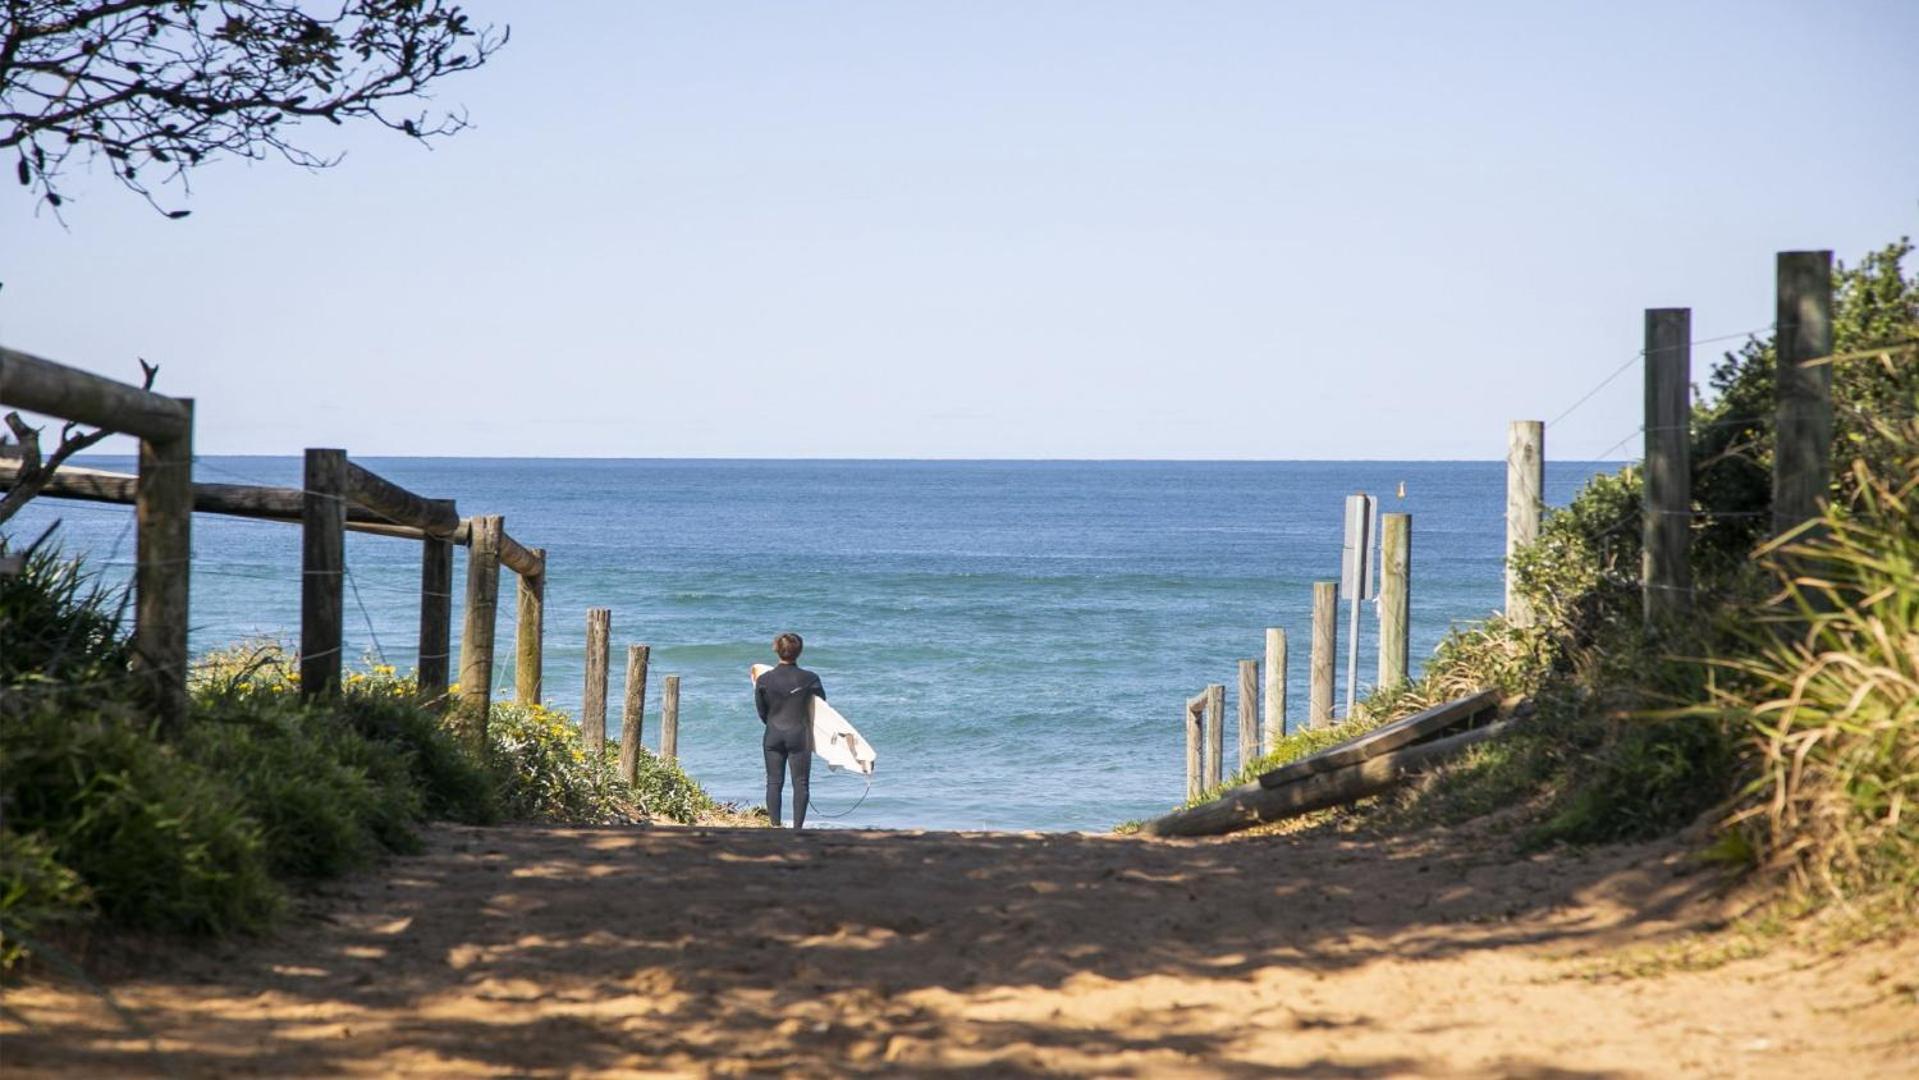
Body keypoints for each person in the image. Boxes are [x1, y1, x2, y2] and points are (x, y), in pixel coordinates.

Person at [754, 632, 824, 828]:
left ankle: (775, 826)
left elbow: (762, 711)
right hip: (799, 735)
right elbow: (822, 708)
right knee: (800, 783)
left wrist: (773, 724)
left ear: (776, 649)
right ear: (799, 651)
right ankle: (797, 830)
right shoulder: (810, 679)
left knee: (773, 782)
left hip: (773, 734)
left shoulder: (764, 679)